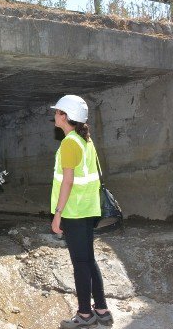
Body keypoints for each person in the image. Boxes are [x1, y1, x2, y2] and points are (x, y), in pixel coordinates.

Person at [50, 95, 113, 328]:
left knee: (80, 263)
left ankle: (85, 314)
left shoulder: (69, 143)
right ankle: (102, 310)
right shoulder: (85, 140)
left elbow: (67, 182)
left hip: (74, 211)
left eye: (57, 112)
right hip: (89, 209)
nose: (54, 115)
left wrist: (58, 213)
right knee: (89, 260)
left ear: (65, 116)